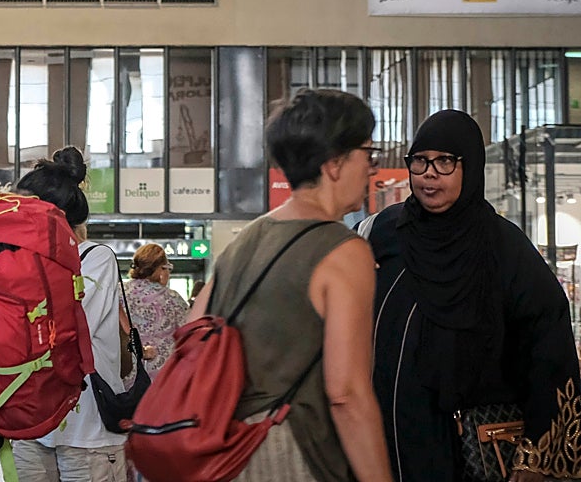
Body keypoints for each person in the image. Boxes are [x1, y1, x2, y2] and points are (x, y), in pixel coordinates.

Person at [362, 109, 581, 481]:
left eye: (445, 161)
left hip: (474, 451)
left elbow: (549, 353)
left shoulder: (505, 249)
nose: (430, 173)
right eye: (420, 160)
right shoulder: (384, 234)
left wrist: (535, 457)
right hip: (391, 442)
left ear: (471, 166)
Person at [189, 89, 393, 482]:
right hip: (293, 453)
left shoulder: (246, 239)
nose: (372, 169)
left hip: (227, 454)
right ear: (334, 163)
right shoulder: (345, 250)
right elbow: (346, 394)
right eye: (368, 154)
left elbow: (193, 332)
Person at [11, 146, 127, 482]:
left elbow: (64, 327)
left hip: (86, 429)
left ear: (54, 214)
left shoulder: (96, 258)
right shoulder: (17, 264)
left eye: (26, 208)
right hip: (30, 426)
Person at [123, 243, 189, 378]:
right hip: (163, 376)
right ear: (160, 270)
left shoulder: (118, 293)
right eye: (167, 268)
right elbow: (188, 333)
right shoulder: (172, 298)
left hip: (124, 370)